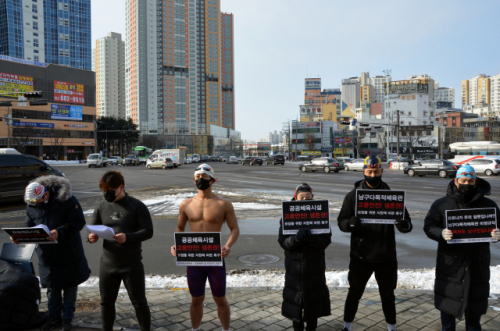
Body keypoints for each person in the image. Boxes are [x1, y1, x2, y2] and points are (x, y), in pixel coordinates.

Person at [337, 156, 412, 331]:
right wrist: (350, 224)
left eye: (376, 171)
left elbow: (407, 223)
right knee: (354, 293)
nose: (372, 174)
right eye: (369, 171)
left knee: (388, 295)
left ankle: (391, 327)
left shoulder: (392, 196)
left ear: (381, 172)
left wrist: (404, 225)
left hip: (386, 256)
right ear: (363, 171)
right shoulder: (352, 197)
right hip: (360, 256)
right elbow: (341, 222)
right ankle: (347, 326)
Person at [424, 165, 500, 331]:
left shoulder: (489, 205)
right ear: (456, 181)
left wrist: (497, 233)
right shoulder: (441, 204)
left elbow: (498, 225)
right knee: (448, 322)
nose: (467, 183)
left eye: (470, 181)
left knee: (474, 323)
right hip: (450, 268)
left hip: (477, 267)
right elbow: (429, 226)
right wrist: (441, 233)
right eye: (463, 180)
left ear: (476, 181)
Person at [10, 176, 90, 331]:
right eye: (31, 202)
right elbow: (29, 227)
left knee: (69, 287)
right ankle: (54, 317)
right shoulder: (31, 205)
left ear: (46, 194)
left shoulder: (67, 200)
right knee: (52, 288)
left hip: (69, 252)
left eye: (37, 201)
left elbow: (79, 222)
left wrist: (60, 232)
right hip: (47, 255)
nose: (34, 204)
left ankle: (67, 318)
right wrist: (20, 237)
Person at [170, 164, 239, 331]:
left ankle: (225, 329)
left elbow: (234, 229)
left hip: (215, 258)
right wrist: (177, 244)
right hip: (194, 259)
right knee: (196, 299)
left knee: (220, 298)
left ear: (213, 180)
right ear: (194, 180)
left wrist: (228, 246)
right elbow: (180, 227)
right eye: (198, 177)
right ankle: (195, 329)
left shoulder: (224, 204)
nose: (201, 179)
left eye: (205, 177)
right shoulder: (186, 204)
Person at [89, 171, 153, 331]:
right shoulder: (101, 206)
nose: (107, 193)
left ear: (121, 187)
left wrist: (128, 237)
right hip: (108, 263)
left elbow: (148, 231)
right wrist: (92, 237)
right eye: (104, 190)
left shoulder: (136, 206)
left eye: (110, 190)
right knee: (105, 303)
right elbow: (94, 229)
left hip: (131, 264)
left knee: (139, 302)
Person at [278, 183, 331, 331]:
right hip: (294, 269)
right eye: (302, 197)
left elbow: (326, 240)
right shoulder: (287, 215)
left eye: (308, 198)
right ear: (295, 198)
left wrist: (314, 239)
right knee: (295, 304)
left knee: (313, 304)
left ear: (313, 198)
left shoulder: (320, 214)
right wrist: (295, 240)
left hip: (315, 267)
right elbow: (282, 241)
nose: (305, 200)